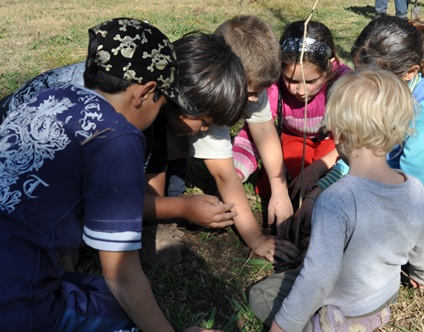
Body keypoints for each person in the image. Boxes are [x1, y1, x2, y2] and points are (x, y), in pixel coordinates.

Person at [0, 17, 217, 331]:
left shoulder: (46, 97)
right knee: (122, 312)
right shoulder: (117, 138)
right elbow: (122, 276)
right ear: (145, 93)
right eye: (164, 102)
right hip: (14, 303)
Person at [249, 69, 424, 332]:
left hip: (345, 302)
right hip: (384, 294)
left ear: (337, 136)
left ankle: (332, 326)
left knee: (261, 294)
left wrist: (284, 325)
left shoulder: (336, 200)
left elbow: (318, 277)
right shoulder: (413, 188)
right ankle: (370, 317)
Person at [0, 31, 248, 230]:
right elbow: (110, 203)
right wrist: (182, 208)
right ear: (178, 103)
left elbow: (152, 190)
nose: (204, 130)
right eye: (204, 122)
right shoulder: (110, 121)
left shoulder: (146, 96)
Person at [301, 16, 424, 257]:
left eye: (372, 79)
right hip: (397, 172)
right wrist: (318, 194)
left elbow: (407, 185)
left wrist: (351, 234)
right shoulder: (377, 93)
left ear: (409, 73)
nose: (364, 86)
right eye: (359, 74)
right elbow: (361, 154)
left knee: (410, 248)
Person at [185, 15, 300, 262]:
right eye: (250, 93)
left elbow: (265, 132)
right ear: (227, 75)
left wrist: (279, 190)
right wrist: (255, 238)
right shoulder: (210, 98)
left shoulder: (249, 84)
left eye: (260, 92)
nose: (254, 99)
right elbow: (223, 174)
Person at [232, 20, 351, 237]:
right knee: (279, 182)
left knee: (333, 184)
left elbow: (357, 141)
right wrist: (234, 174)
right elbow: (255, 133)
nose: (300, 91)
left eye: (311, 81)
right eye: (291, 80)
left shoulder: (345, 82)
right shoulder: (273, 84)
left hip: (336, 145)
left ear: (330, 66)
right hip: (292, 138)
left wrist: (318, 169)